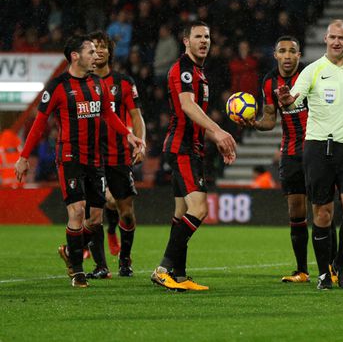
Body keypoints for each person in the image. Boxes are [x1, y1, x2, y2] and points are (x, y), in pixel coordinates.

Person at [15, 35, 144, 287]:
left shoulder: (97, 84)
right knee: (76, 211)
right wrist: (23, 156)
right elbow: (39, 124)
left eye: (97, 51)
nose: (96, 55)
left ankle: (70, 252)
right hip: (69, 157)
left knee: (94, 218)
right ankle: (77, 270)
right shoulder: (58, 87)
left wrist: (128, 135)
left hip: (95, 159)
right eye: (90, 51)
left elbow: (109, 113)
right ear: (75, 56)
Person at [277, 19, 343, 290]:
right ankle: (323, 274)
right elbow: (294, 98)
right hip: (318, 147)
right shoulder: (312, 71)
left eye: (341, 38)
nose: (336, 42)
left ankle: (340, 262)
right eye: (332, 37)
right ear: (325, 40)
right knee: (323, 215)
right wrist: (286, 99)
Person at [151, 21, 237, 292]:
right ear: (185, 41)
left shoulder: (199, 72)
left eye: (207, 36)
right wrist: (219, 130)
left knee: (182, 213)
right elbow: (188, 107)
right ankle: (163, 270)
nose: (204, 41)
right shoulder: (184, 70)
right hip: (182, 149)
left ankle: (178, 274)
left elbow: (197, 117)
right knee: (199, 209)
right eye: (198, 36)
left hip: (191, 148)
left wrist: (217, 140)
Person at [237, 35, 312, 283]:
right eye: (283, 51)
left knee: (323, 210)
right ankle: (302, 270)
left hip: (315, 148)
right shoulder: (269, 81)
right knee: (296, 211)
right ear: (276, 55)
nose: (288, 55)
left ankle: (332, 267)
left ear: (299, 56)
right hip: (290, 151)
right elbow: (270, 119)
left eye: (292, 51)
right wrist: (255, 123)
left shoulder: (310, 76)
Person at [87, 30, 145, 278]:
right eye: (94, 47)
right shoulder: (82, 83)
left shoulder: (123, 82)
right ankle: (101, 266)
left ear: (110, 52)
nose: (98, 51)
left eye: (103, 47)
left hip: (119, 157)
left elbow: (136, 117)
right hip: (90, 157)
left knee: (127, 213)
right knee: (94, 215)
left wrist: (140, 142)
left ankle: (125, 258)